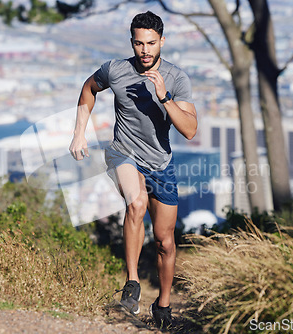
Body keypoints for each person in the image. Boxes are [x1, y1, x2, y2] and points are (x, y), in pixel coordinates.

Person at [69, 10, 197, 330]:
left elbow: (190, 130)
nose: (145, 50)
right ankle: (132, 283)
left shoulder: (177, 78)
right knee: (136, 204)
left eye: (151, 43)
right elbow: (89, 88)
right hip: (123, 153)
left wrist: (164, 97)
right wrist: (79, 132)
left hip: (161, 164)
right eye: (139, 43)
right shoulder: (116, 69)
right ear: (132, 42)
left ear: (161, 42)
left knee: (165, 241)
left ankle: (163, 304)